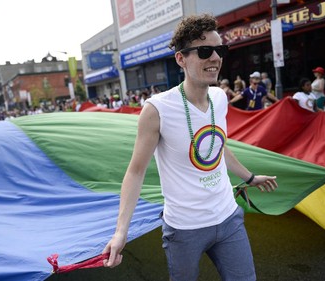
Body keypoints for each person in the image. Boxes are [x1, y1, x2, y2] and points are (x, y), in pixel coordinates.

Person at [102, 14, 278, 281]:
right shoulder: (157, 109)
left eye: (220, 50)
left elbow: (218, 148)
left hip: (228, 218)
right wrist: (120, 232)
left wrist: (250, 177)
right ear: (181, 59)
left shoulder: (219, 98)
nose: (215, 58)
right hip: (184, 230)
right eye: (205, 51)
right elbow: (135, 172)